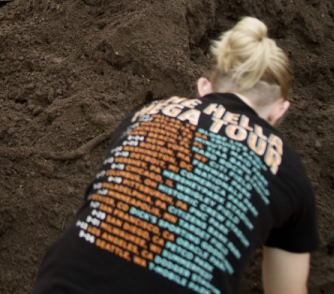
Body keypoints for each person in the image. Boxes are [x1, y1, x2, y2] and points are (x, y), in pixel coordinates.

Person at [32, 17, 317, 294]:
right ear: (280, 110)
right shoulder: (286, 167)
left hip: (61, 279)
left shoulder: (145, 115)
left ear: (203, 87)